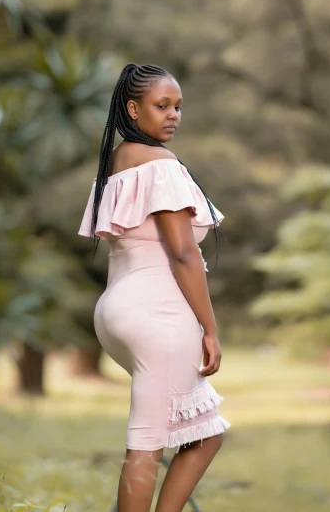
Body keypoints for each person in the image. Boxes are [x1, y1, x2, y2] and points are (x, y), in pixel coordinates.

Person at [78, 62, 230, 512]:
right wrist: (210, 328)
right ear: (133, 108)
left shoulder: (117, 162)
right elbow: (183, 254)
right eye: (161, 106)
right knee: (146, 441)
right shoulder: (161, 165)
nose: (173, 115)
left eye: (178, 107)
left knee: (206, 432)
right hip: (156, 314)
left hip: (116, 311)